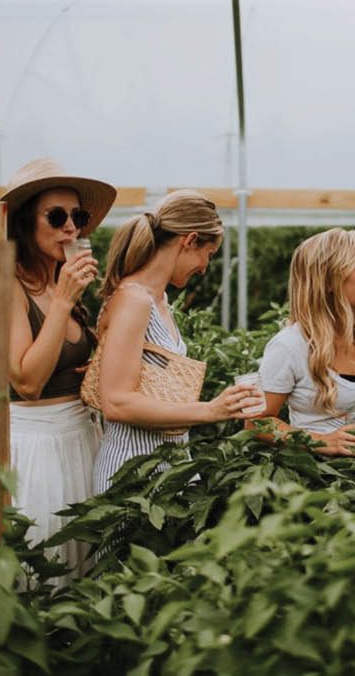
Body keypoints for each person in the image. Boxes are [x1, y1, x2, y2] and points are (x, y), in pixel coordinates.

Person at [0, 158, 114, 585]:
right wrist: (62, 303)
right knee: (45, 570)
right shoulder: (4, 287)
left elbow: (60, 360)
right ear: (24, 224)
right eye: (56, 216)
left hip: (82, 439)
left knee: (86, 573)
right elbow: (28, 382)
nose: (71, 228)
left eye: (79, 216)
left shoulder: (62, 286)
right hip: (37, 447)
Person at [92, 190, 263, 494]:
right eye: (207, 254)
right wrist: (210, 410)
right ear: (190, 240)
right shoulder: (134, 299)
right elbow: (116, 402)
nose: (205, 267)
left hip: (167, 464)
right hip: (132, 470)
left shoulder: (159, 300)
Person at [248, 228, 355, 458]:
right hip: (321, 475)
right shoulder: (289, 346)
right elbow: (257, 423)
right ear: (328, 282)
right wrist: (321, 442)